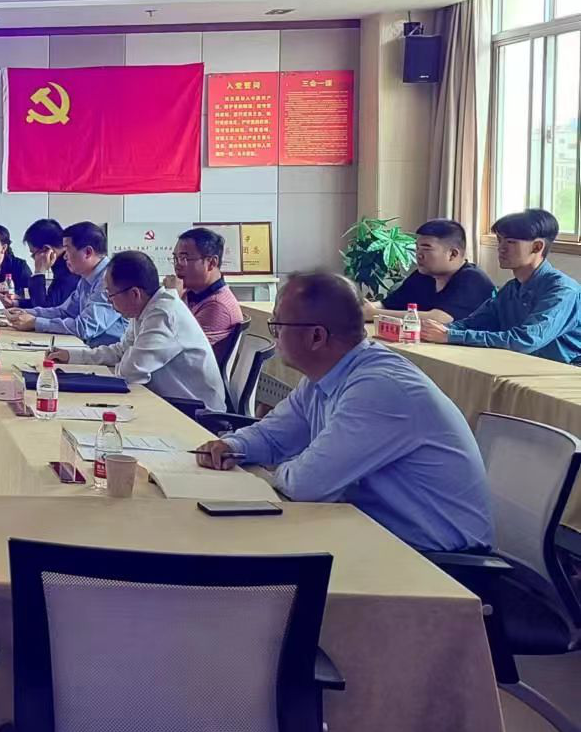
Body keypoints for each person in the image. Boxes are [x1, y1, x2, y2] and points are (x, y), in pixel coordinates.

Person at [195, 272, 492, 553]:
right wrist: (233, 446)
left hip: (438, 563)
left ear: (316, 337)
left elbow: (307, 485)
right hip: (374, 537)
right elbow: (275, 435)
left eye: (278, 325)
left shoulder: (378, 388)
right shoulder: (326, 376)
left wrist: (271, 472)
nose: (275, 336)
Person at [47, 251, 227, 409]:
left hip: (195, 413)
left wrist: (98, 373)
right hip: (167, 403)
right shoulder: (146, 308)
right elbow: (120, 352)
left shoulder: (164, 314)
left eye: (111, 294)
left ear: (134, 294)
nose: (109, 301)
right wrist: (71, 356)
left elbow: (130, 372)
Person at [426, 209, 581, 362]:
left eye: (511, 242)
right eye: (499, 240)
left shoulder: (562, 291)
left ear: (537, 247)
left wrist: (450, 336)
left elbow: (525, 341)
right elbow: (473, 323)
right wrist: (431, 329)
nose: (501, 248)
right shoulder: (511, 288)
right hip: (523, 366)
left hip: (565, 371)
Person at [6, 222, 126, 346]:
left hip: (108, 353)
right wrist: (26, 312)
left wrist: (35, 322)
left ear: (88, 252)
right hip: (89, 348)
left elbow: (84, 328)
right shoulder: (86, 278)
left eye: (67, 249)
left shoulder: (110, 278)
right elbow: (65, 312)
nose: (65, 257)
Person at [365, 219, 494, 325]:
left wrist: (374, 314)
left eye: (426, 249)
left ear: (453, 254)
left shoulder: (473, 279)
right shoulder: (423, 276)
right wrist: (363, 307)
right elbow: (386, 305)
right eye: (417, 248)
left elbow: (439, 319)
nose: (419, 255)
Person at [172, 227, 244, 348]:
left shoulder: (217, 306)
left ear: (211, 263)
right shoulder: (190, 292)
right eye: (176, 258)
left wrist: (171, 299)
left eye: (184, 258)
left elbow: (174, 349)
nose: (177, 266)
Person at [21, 218, 79, 309]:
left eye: (33, 254)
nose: (33, 259)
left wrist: (39, 272)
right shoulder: (60, 265)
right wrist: (17, 303)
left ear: (46, 249)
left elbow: (44, 309)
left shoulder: (69, 268)